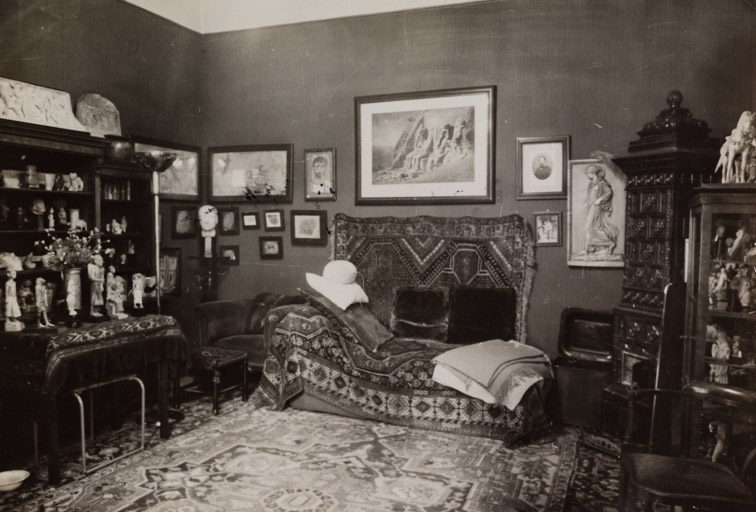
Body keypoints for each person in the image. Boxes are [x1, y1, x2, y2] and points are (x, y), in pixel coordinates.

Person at [583, 164, 619, 256]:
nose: (587, 175)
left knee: (591, 227)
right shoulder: (591, 184)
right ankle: (590, 247)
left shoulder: (602, 183)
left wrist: (600, 199)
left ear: (593, 173)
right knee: (591, 227)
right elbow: (590, 195)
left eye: (588, 173)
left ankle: (609, 243)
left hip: (596, 207)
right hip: (591, 207)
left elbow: (609, 192)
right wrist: (586, 202)